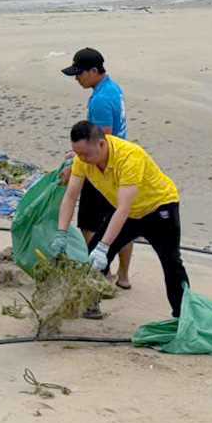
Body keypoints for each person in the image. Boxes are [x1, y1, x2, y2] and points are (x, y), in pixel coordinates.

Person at [52, 121, 189, 318]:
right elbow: (71, 196)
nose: (81, 159)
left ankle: (183, 314)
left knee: (171, 261)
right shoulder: (82, 160)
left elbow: (123, 208)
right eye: (78, 154)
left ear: (101, 144)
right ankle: (90, 304)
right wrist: (61, 233)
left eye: (85, 154)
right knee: (93, 255)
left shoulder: (130, 157)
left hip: (158, 208)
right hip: (128, 212)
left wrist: (104, 246)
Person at [61, 46, 134, 312]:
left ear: (94, 71)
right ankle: (123, 276)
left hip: (103, 167)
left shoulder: (101, 100)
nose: (76, 79)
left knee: (90, 224)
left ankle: (102, 274)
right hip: (119, 164)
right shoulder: (113, 89)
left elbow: (102, 140)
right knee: (122, 222)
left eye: (79, 73)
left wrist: (77, 162)